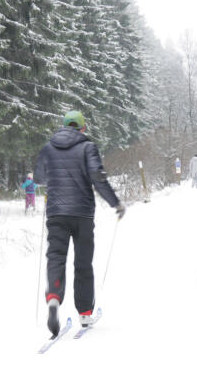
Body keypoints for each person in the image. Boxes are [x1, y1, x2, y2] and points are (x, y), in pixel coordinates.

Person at [34, 110, 126, 336]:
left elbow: (38, 178)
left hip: (56, 213)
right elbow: (97, 177)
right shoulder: (88, 147)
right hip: (83, 213)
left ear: (63, 126)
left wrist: (55, 175)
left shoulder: (48, 148)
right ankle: (84, 313)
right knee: (83, 263)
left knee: (56, 256)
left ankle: (54, 299)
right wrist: (115, 203)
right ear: (82, 127)